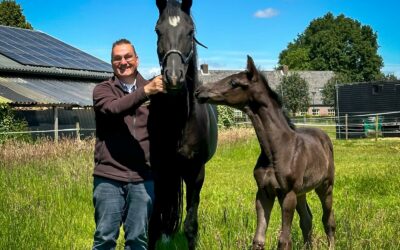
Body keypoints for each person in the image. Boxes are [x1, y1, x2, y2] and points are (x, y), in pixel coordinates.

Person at [92, 38, 165, 249]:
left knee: (137, 241)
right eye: (117, 58)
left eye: (127, 56)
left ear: (137, 60)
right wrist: (146, 92)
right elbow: (113, 109)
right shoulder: (103, 90)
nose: (123, 62)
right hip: (108, 178)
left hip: (143, 179)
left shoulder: (155, 90)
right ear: (112, 62)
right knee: (104, 239)